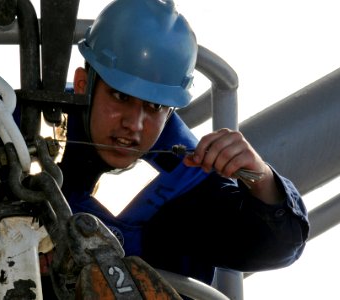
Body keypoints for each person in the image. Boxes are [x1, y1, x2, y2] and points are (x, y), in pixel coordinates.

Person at [56, 0, 309, 288]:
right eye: (120, 96)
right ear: (81, 84)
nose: (134, 124)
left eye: (153, 105)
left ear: (171, 111)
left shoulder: (187, 181)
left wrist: (262, 180)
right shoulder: (18, 126)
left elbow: (274, 246)